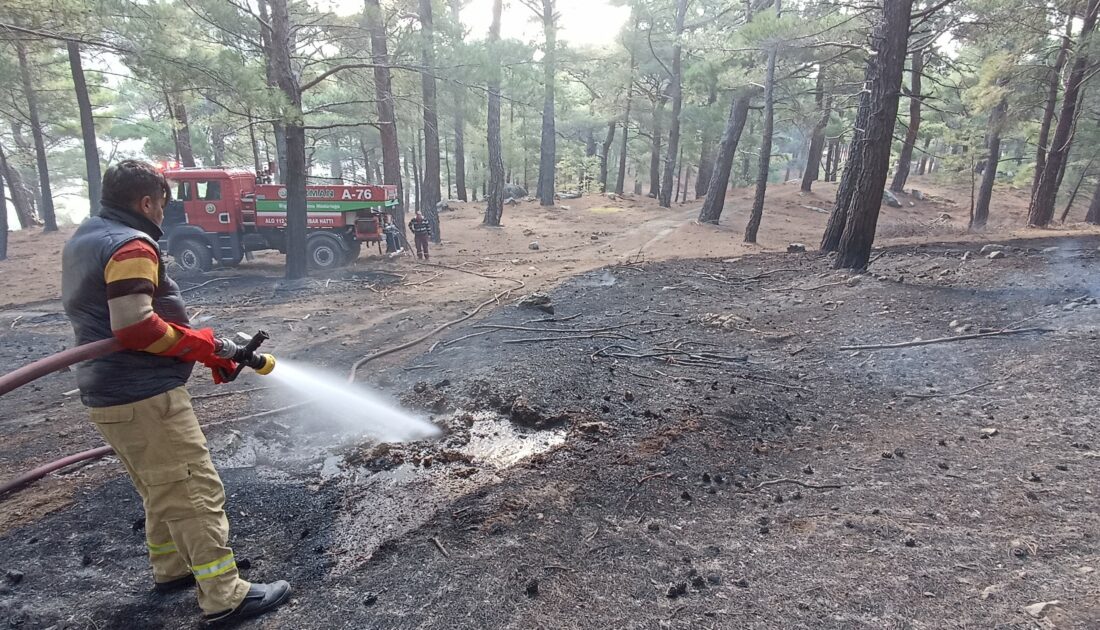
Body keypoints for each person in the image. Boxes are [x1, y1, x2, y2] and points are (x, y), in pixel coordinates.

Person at [60, 160, 290, 626]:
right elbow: (135, 327)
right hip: (143, 394)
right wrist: (201, 346)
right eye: (163, 204)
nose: (164, 214)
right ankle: (225, 595)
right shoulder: (130, 244)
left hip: (110, 393)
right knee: (192, 487)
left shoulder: (87, 236)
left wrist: (199, 350)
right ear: (146, 202)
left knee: (159, 487)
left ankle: (173, 567)